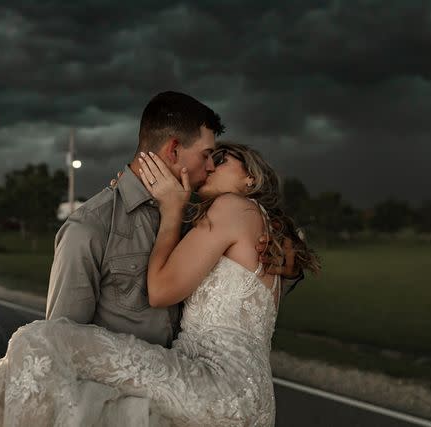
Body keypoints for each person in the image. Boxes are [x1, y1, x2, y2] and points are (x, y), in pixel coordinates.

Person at [0, 142, 320, 426]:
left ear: (251, 177)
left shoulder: (232, 209)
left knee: (38, 340)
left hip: (212, 382)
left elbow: (160, 291)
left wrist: (170, 212)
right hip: (254, 399)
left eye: (220, 159)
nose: (208, 165)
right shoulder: (273, 235)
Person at [45, 91, 302, 349]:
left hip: (193, 380)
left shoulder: (201, 217)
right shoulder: (91, 226)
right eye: (206, 155)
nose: (211, 166)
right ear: (174, 149)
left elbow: (240, 295)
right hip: (118, 385)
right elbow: (59, 343)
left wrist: (285, 263)